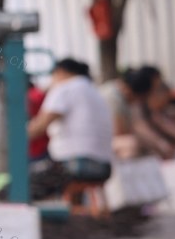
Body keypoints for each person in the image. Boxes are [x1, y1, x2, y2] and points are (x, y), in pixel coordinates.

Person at [28, 58, 113, 197]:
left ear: (60, 72)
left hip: (76, 164)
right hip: (104, 166)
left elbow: (38, 127)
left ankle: (52, 216)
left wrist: (14, 137)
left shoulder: (64, 88)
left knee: (21, 178)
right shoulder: (94, 91)